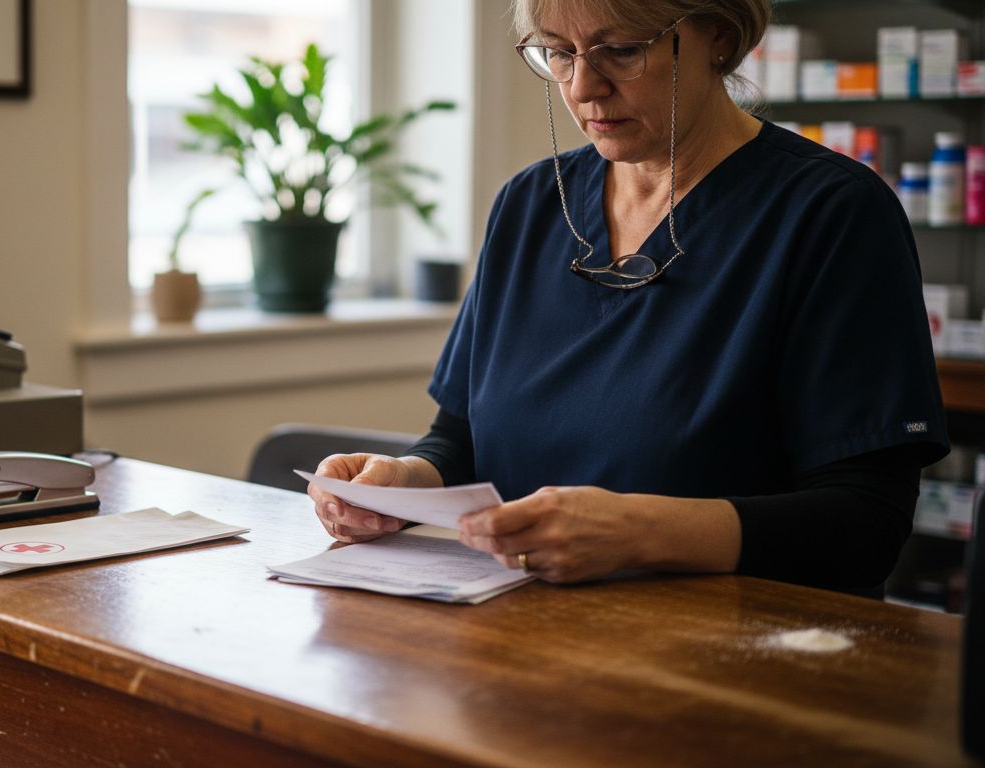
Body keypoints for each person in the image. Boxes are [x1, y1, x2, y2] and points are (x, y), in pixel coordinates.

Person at [307, 0, 948, 596]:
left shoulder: (830, 214)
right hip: (522, 640)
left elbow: (866, 523)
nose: (583, 87)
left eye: (619, 49)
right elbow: (462, 438)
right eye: (558, 51)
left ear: (717, 38)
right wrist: (400, 484)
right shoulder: (530, 205)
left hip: (738, 659)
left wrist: (638, 532)